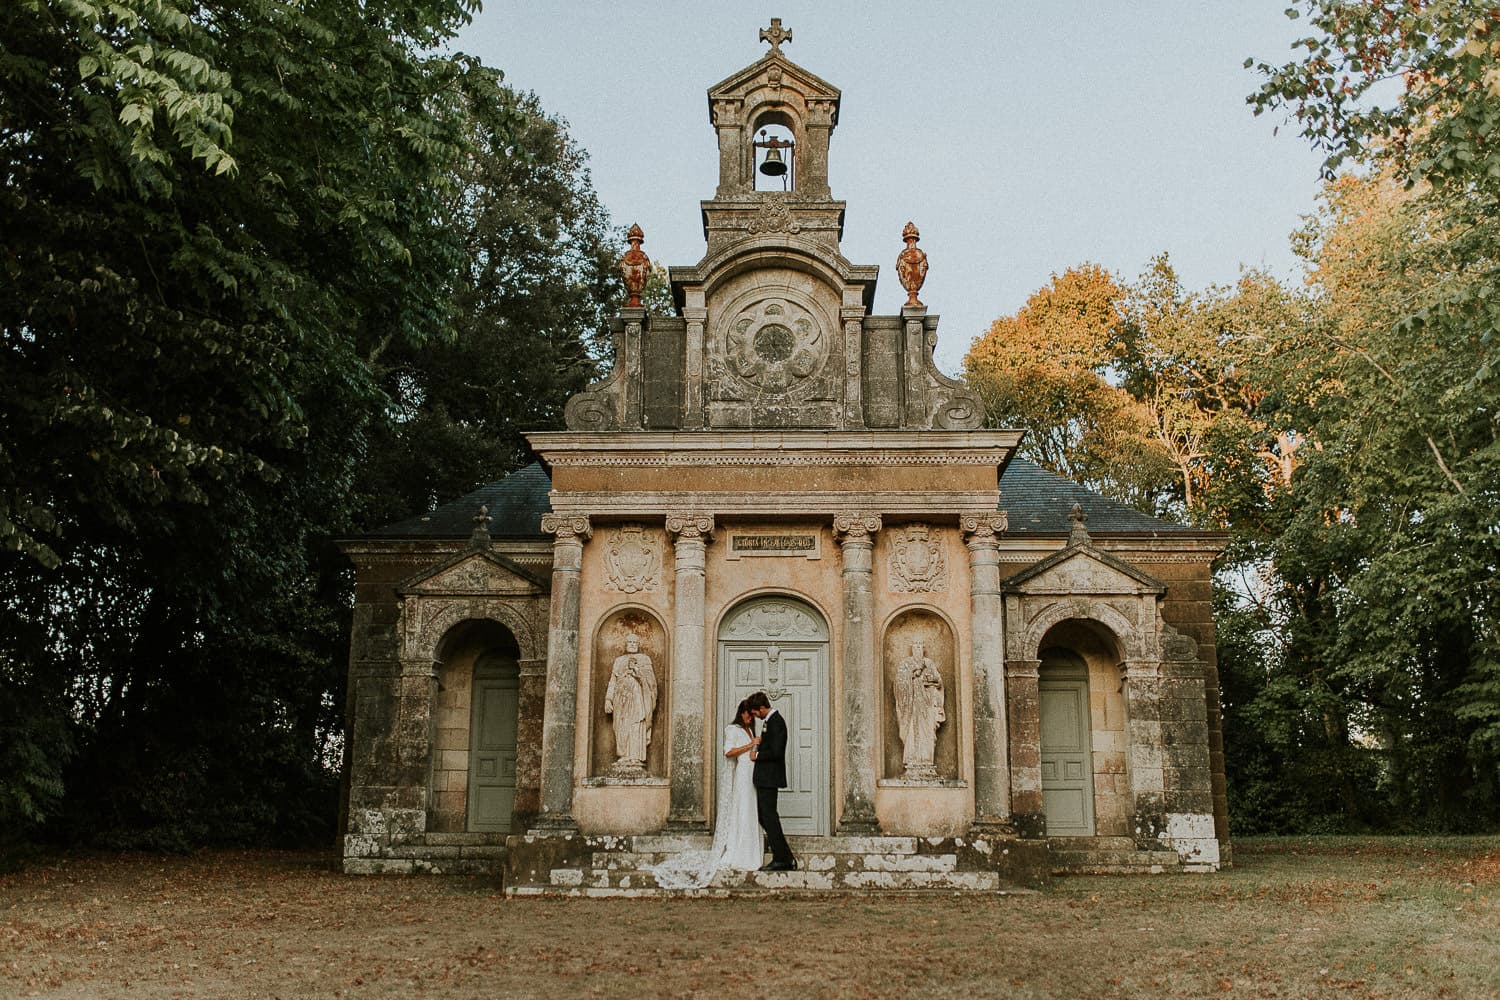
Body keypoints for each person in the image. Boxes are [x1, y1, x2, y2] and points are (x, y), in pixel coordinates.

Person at [648, 700, 764, 889]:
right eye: (748, 714)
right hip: (742, 774)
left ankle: (751, 851)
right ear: (741, 713)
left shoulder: (750, 730)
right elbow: (728, 752)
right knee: (742, 810)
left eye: (752, 715)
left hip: (752, 774)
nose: (750, 718)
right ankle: (739, 851)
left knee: (751, 811)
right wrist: (751, 744)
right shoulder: (732, 729)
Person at [748, 690, 797, 871]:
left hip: (770, 777)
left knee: (769, 817)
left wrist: (757, 755)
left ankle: (781, 858)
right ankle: (785, 856)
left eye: (755, 712)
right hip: (765, 778)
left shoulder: (776, 722)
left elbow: (776, 752)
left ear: (762, 708)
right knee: (765, 816)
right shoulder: (770, 721)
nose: (755, 716)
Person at [603, 635, 656, 774]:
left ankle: (635, 757)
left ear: (638, 644)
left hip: (637, 697)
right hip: (621, 698)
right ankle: (623, 755)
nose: (632, 644)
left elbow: (651, 682)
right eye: (630, 642)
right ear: (625, 644)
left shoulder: (645, 659)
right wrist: (608, 699)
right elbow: (613, 681)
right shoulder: (619, 661)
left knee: (636, 724)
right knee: (621, 726)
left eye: (635, 642)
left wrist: (637, 673)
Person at [893, 640, 944, 779]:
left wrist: (931, 681)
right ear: (912, 648)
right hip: (911, 706)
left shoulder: (929, 663)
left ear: (923, 648)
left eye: (920, 645)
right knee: (911, 731)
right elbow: (898, 683)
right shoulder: (905, 664)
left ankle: (926, 760)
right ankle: (912, 760)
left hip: (927, 705)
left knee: (927, 731)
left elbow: (939, 681)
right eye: (915, 645)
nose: (917, 648)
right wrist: (912, 675)